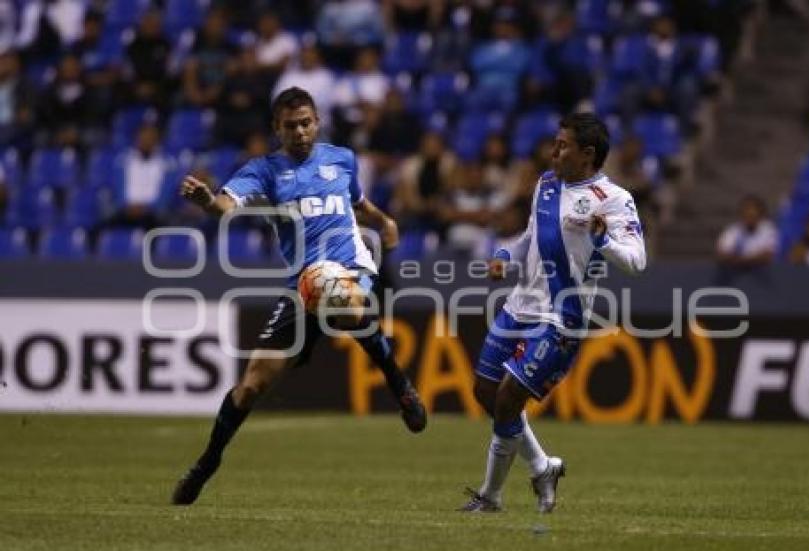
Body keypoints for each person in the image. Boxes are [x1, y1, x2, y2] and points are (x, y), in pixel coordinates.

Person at [171, 87, 427, 505]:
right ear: (277, 129)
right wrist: (206, 200)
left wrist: (385, 221)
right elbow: (225, 206)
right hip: (300, 285)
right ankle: (207, 463)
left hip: (350, 268)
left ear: (317, 122)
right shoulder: (265, 170)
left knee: (344, 303)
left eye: (306, 123)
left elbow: (358, 202)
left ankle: (399, 385)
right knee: (252, 385)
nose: (301, 132)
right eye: (291, 126)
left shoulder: (342, 158)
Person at [461, 113, 647, 513]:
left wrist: (603, 242)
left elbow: (636, 261)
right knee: (485, 393)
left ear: (587, 155)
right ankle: (543, 467)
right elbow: (529, 237)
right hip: (518, 307)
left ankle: (491, 496)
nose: (553, 152)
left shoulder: (614, 200)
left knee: (510, 399)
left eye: (562, 146)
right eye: (555, 143)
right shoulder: (546, 184)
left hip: (561, 316)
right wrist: (503, 256)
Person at [716, 195, 777, 268]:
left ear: (760, 216)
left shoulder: (769, 230)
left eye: (752, 216)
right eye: (745, 214)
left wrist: (739, 260)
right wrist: (744, 260)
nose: (749, 219)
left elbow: (767, 256)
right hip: (735, 274)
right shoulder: (732, 231)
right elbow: (722, 255)